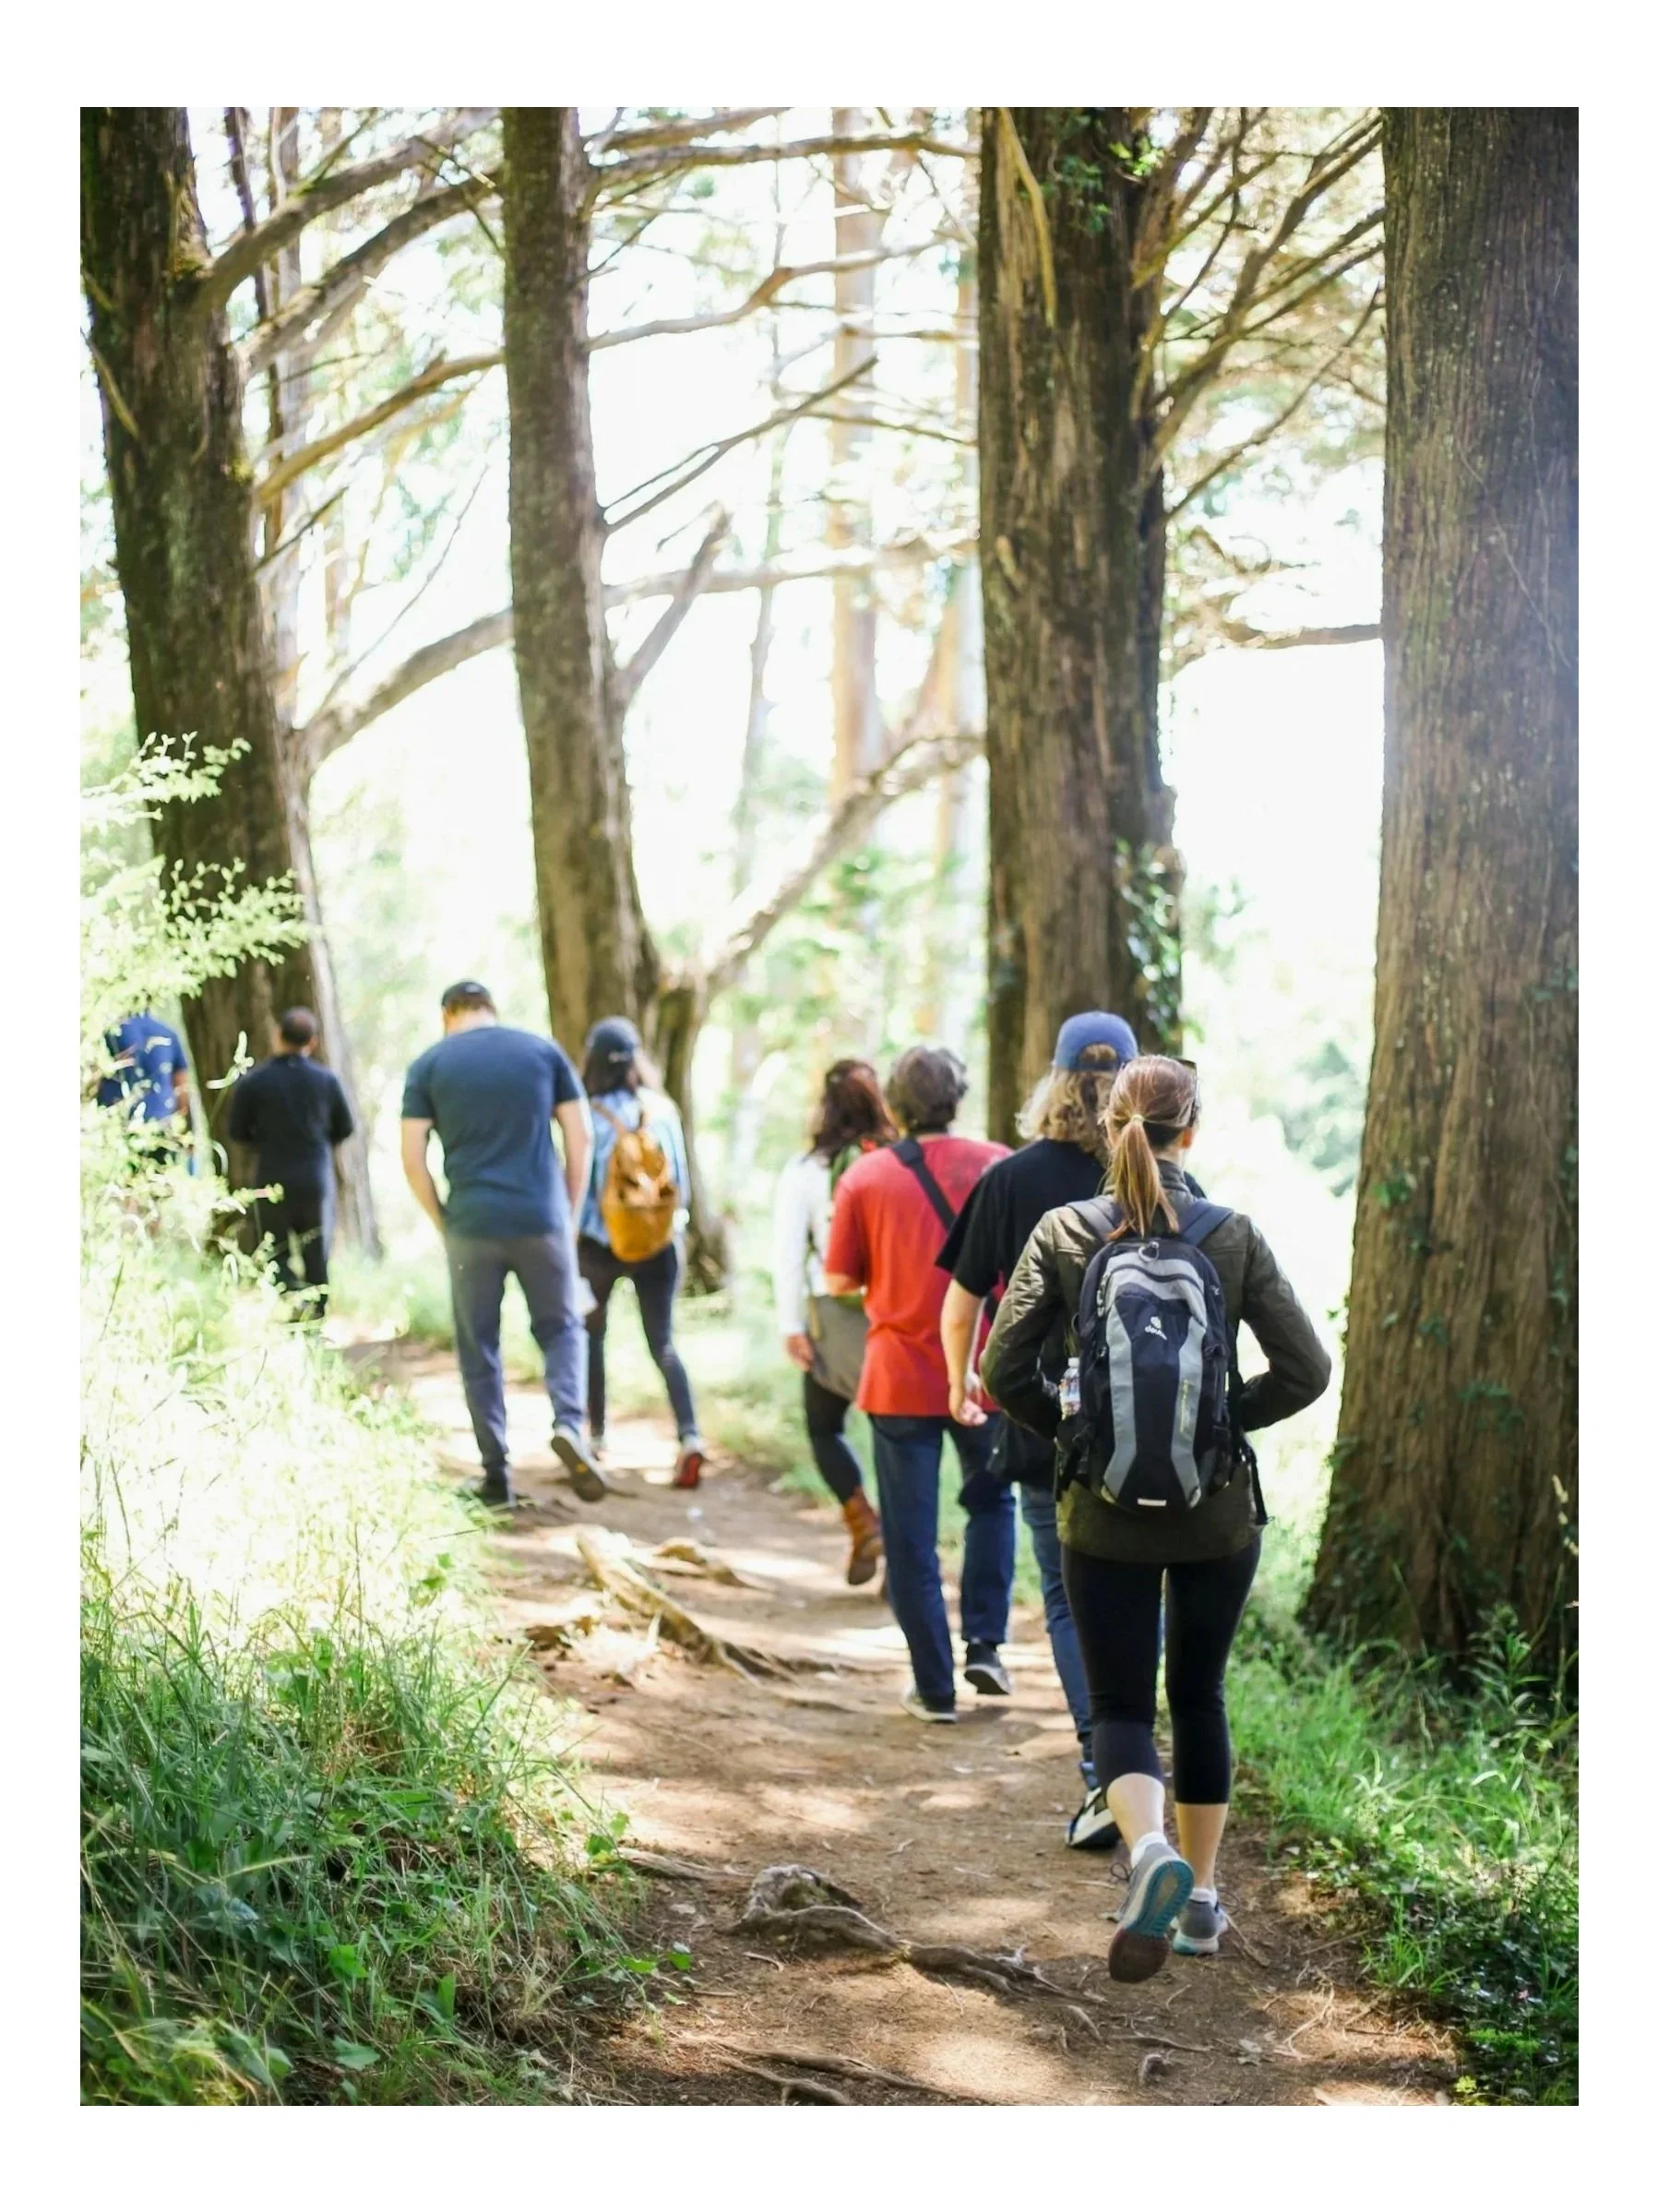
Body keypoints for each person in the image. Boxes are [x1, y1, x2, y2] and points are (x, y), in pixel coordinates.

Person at [981, 1055, 1330, 1980]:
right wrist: (1221, 1426)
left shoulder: (1064, 1232)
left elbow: (1001, 1374)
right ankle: (1205, 1903)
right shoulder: (1232, 1234)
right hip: (1216, 1518)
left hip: (1101, 1516)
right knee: (1201, 1695)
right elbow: (1307, 1370)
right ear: (1194, 1130)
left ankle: (1149, 1855)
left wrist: (1077, 1438)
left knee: (1124, 1705)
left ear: (1107, 1124)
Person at [937, 1011, 1137, 1847]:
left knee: (1064, 1596)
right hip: (1145, 1425)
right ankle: (1140, 1760)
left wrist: (961, 1384)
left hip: (1040, 1422)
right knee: (1137, 1592)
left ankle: (1103, 1770)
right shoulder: (1157, 1178)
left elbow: (960, 1305)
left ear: (1052, 1082)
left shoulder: (1011, 1179)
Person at [824, 1046, 1013, 1723]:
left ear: (896, 1107)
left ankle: (933, 1687)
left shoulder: (867, 1177)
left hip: (900, 1375)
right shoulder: (997, 1163)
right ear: (956, 1098)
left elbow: (839, 1279)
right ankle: (986, 1645)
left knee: (909, 1535)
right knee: (992, 1504)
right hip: (986, 1369)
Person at [400, 980, 604, 1510]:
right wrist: (571, 1211)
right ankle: (569, 1423)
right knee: (562, 1329)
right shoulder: (541, 1052)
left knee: (479, 1348)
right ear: (492, 1009)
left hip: (470, 1224)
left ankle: (496, 1475)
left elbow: (412, 1154)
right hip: (542, 1219)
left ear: (448, 1014)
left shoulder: (429, 1064)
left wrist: (441, 1218)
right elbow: (581, 1137)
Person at [772, 1059, 895, 1586]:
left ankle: (862, 1518)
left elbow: (786, 1254)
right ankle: (904, 1557)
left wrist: (790, 1325)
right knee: (897, 1440)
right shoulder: (898, 1162)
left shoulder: (806, 1171)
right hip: (895, 1319)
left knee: (825, 1428)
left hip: (832, 1320)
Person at [578, 1017, 707, 1489]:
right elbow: (682, 1189)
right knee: (664, 1343)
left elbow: (581, 1189)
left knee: (592, 1337)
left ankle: (594, 1436)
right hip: (657, 1245)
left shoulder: (586, 1115)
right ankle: (690, 1436)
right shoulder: (661, 1110)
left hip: (599, 1245)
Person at [227, 1008, 355, 1316]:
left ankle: (292, 1307)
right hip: (315, 1178)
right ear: (312, 1042)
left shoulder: (254, 1082)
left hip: (272, 1177)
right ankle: (317, 1317)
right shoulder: (326, 1080)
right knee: (317, 1253)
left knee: (276, 1252)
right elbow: (346, 1128)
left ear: (278, 1036)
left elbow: (237, 1132)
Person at [96, 1007, 191, 1165]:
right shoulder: (168, 1033)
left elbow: (96, 1077)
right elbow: (182, 1088)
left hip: (119, 1126)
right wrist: (184, 1131)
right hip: (161, 1127)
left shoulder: (111, 1032)